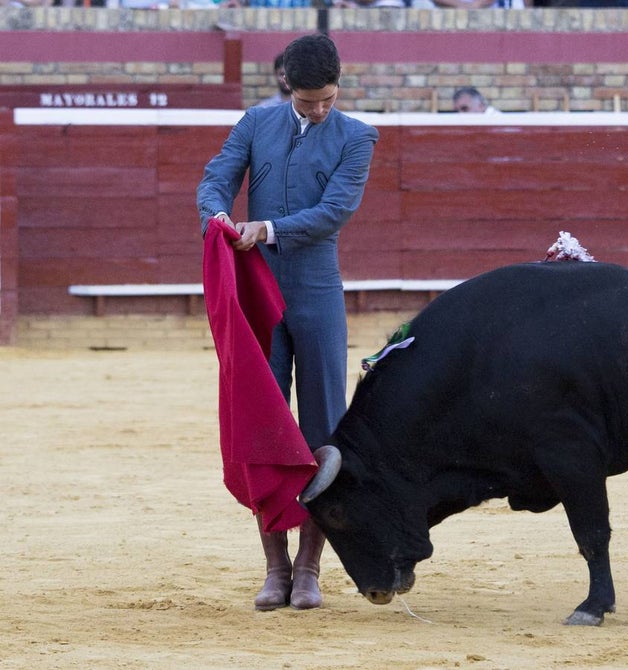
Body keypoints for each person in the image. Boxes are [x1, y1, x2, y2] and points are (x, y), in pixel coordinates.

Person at [196, 33, 379, 612]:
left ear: (338, 85)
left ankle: (308, 567)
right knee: (262, 423)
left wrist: (268, 229)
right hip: (260, 292)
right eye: (307, 101)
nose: (319, 110)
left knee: (324, 428)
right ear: (286, 85)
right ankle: (275, 567)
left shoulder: (358, 136)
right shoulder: (257, 122)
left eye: (328, 99)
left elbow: (335, 211)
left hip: (317, 292)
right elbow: (215, 179)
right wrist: (218, 216)